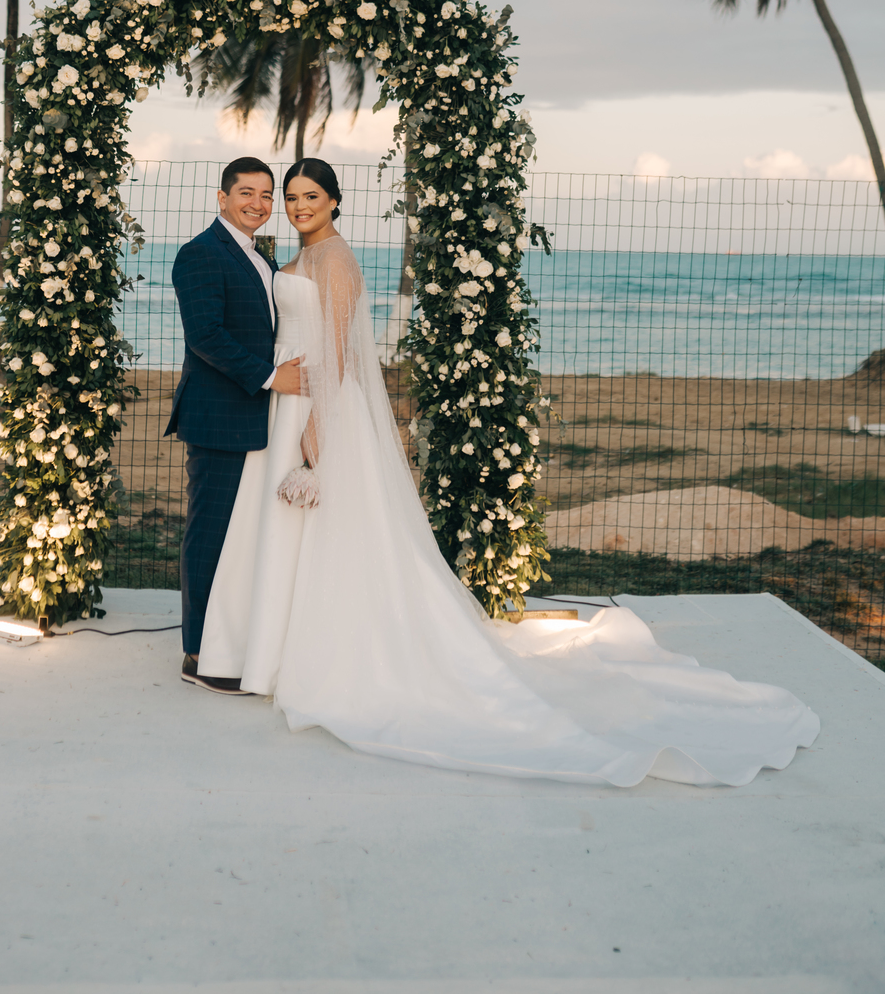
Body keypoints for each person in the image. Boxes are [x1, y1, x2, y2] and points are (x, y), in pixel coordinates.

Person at [198, 158, 821, 787]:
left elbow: (334, 354)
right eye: (293, 196)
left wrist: (315, 439)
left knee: (336, 539)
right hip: (289, 399)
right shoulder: (299, 256)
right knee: (299, 536)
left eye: (311, 196)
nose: (299, 205)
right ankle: (277, 652)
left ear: (335, 201)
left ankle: (323, 656)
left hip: (318, 408)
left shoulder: (334, 260)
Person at [166, 157, 303, 692]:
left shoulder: (260, 257)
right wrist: (272, 377)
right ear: (222, 197)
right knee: (209, 534)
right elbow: (206, 336)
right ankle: (197, 652)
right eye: (247, 192)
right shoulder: (200, 253)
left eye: (267, 195)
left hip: (253, 418)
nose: (259, 203)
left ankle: (233, 640)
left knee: (238, 535)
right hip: (218, 416)